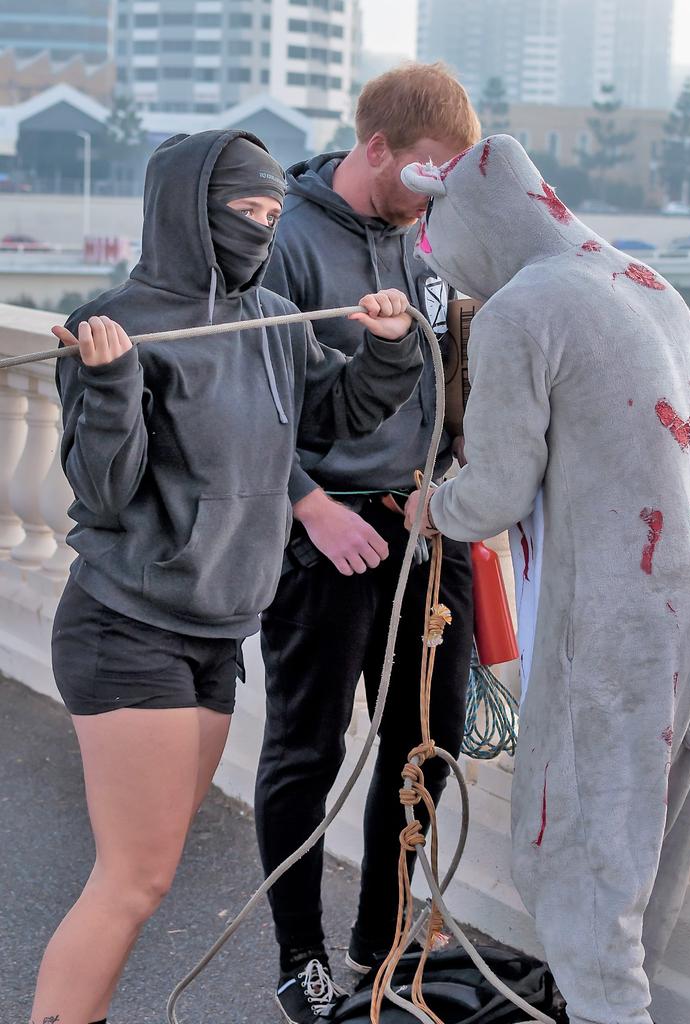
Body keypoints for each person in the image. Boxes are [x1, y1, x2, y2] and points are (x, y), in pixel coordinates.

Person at [29, 129, 423, 1024]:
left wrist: (391, 347)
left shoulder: (271, 319)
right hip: (128, 628)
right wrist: (111, 381)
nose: (261, 225)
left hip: (217, 635)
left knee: (148, 875)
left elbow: (341, 409)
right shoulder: (116, 321)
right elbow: (103, 489)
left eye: (273, 212)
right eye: (244, 209)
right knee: (132, 878)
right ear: (187, 210)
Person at [402, 136, 690, 1024]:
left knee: (588, 853)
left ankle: (609, 1012)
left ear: (470, 220)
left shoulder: (524, 309)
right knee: (648, 845)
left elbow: (499, 490)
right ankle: (614, 1002)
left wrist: (436, 507)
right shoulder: (647, 281)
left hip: (616, 616)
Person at [255, 62, 481, 1022]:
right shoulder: (284, 246)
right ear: (377, 146)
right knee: (307, 749)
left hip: (431, 531)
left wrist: (458, 481)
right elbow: (243, 405)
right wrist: (307, 504)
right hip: (327, 534)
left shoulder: (430, 245)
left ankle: (382, 937)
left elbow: (450, 376)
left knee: (426, 744)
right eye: (430, 171)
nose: (439, 194)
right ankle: (298, 955)